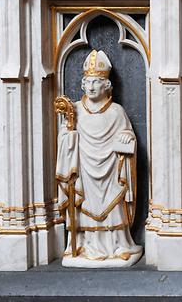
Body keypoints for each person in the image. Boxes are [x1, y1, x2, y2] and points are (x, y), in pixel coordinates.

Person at [55, 50, 142, 267]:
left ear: (107, 85)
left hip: (111, 170)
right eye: (88, 82)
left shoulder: (116, 112)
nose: (92, 86)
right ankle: (83, 244)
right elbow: (63, 138)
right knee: (83, 204)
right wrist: (68, 136)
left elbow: (128, 136)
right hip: (83, 169)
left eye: (97, 81)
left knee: (113, 205)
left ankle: (118, 243)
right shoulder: (74, 111)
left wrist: (126, 138)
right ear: (83, 84)